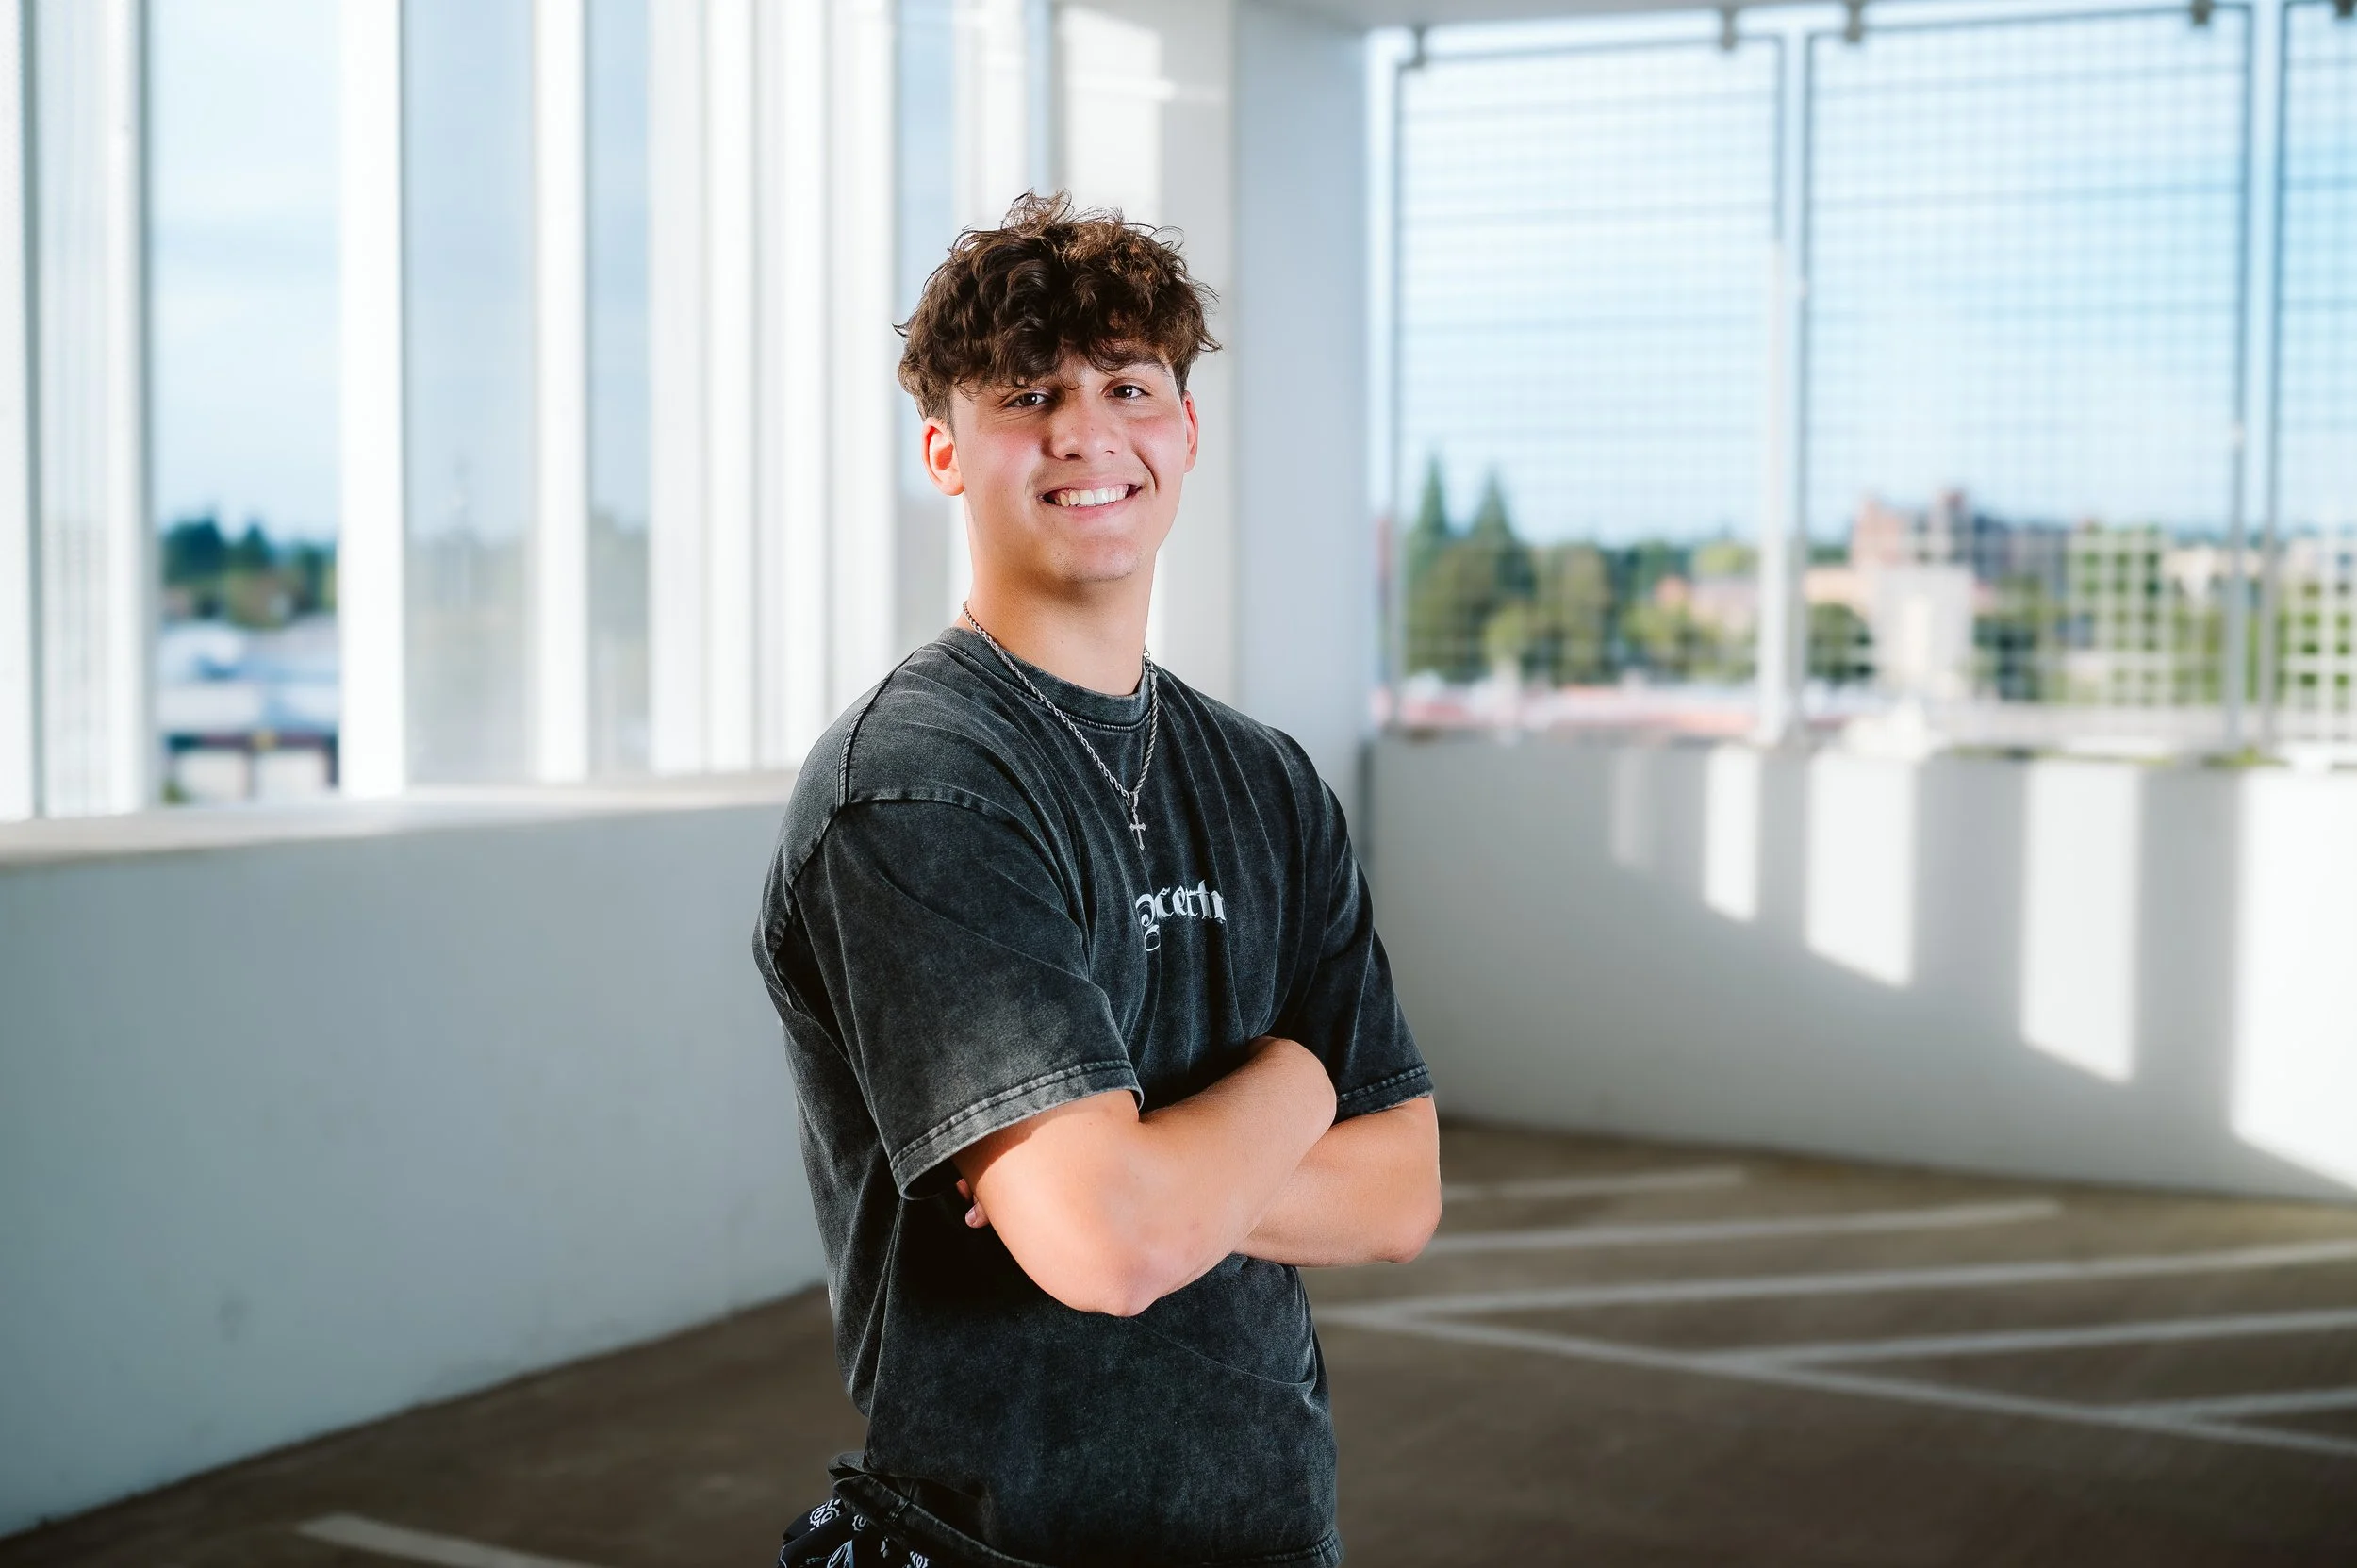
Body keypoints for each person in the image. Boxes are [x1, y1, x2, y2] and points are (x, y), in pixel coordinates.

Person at [752, 191, 1441, 1568]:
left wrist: (1148, 1173)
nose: (1085, 430)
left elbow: (1399, 1192)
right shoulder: (920, 784)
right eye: (1029, 394)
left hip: (1273, 1533)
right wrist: (1309, 1074)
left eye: (1128, 383)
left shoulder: (1266, 780)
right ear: (947, 451)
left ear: (1184, 431)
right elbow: (1109, 1248)